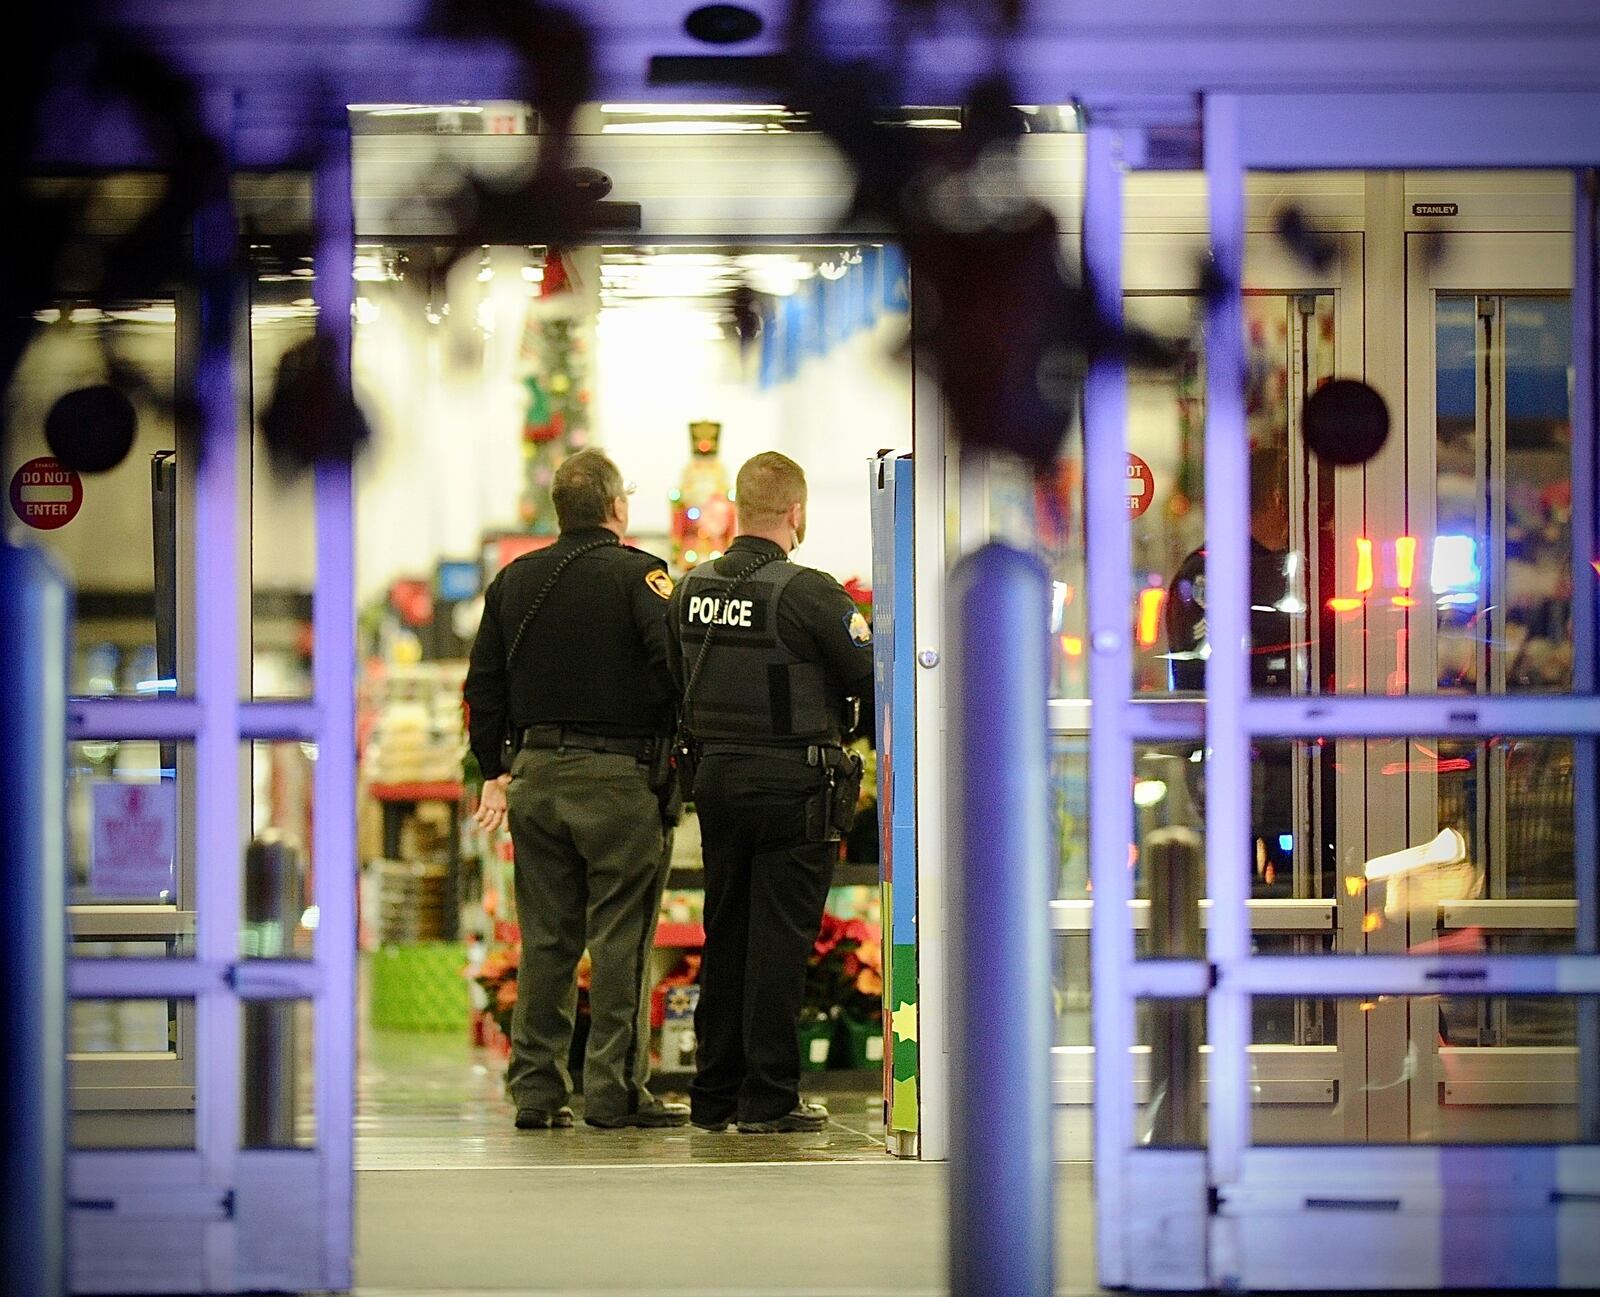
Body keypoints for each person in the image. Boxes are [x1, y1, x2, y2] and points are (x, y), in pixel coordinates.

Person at [464, 448, 688, 1130]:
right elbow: (674, 665)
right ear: (617, 508)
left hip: (535, 777)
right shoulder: (640, 575)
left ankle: (536, 1089)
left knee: (547, 938)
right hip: (619, 782)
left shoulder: (512, 581)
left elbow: (483, 686)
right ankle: (614, 1091)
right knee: (620, 938)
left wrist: (495, 769)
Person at [666, 452, 874, 1134]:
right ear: (796, 511)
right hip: (794, 786)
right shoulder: (810, 593)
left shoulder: (691, 586)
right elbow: (871, 676)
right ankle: (769, 1098)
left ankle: (713, 1094)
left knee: (724, 935)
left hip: (719, 782)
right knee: (780, 943)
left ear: (736, 506)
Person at [1164, 443, 1297, 897]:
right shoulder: (1211, 572)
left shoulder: (1279, 567)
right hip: (1247, 768)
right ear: (1280, 498)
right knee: (1262, 897)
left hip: (1279, 766)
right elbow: (1208, 671)